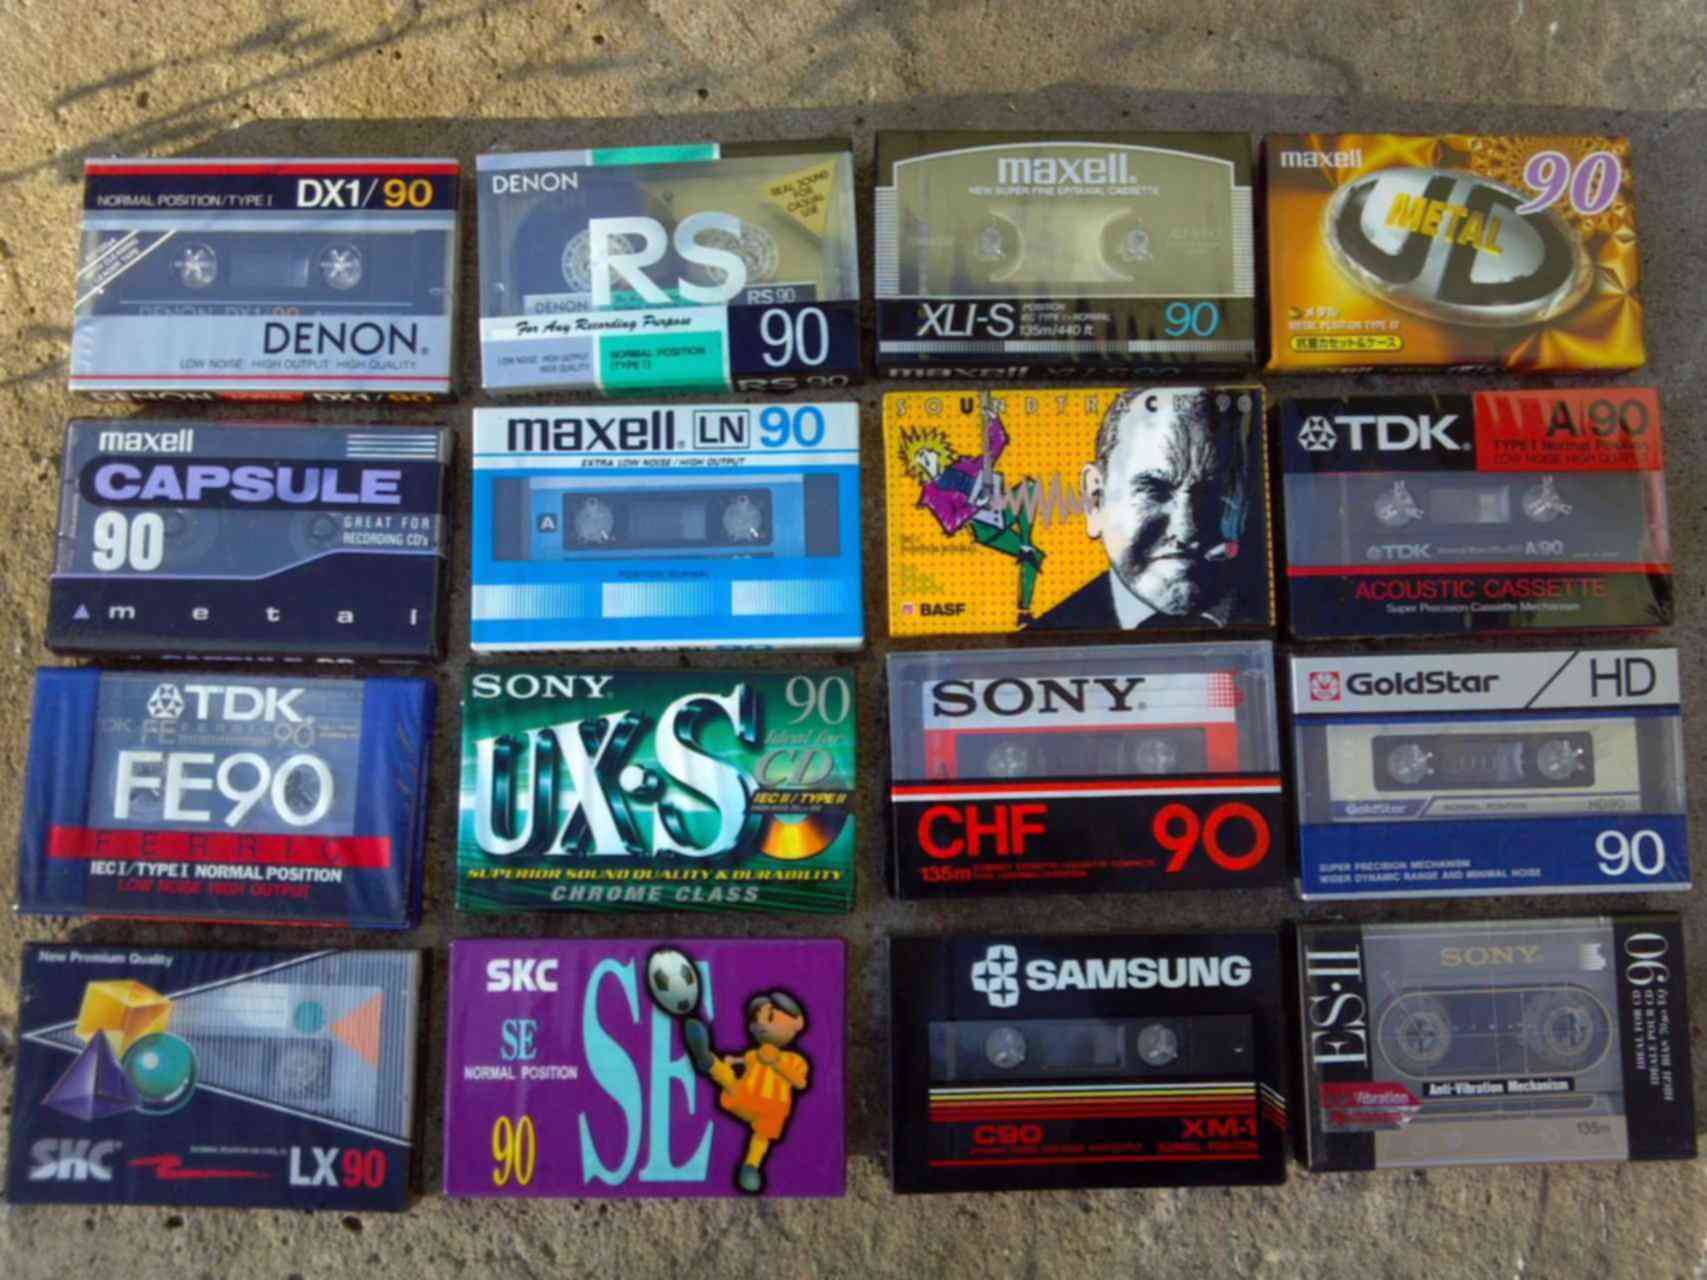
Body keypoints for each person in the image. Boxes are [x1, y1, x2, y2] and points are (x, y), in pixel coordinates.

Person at [1033, 387, 1249, 630]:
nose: (1186, 529)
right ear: (1096, 499)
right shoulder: (1046, 632)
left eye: (1210, 491)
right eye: (1154, 490)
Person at [900, 395, 1046, 624]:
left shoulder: (965, 466)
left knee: (1030, 487)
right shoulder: (932, 494)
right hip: (985, 529)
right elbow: (950, 524)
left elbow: (996, 446)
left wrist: (994, 420)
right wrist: (973, 506)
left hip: (1000, 510)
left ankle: (1026, 545)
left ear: (937, 452)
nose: (924, 457)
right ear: (915, 467)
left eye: (925, 452)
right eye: (918, 457)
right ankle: (1024, 612)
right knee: (1035, 557)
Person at [681, 990, 810, 1194]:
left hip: (772, 1109)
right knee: (730, 1080)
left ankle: (751, 1167)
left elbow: (800, 1082)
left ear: (798, 1022)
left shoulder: (796, 1060)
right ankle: (708, 1060)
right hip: (747, 1096)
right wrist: (733, 1060)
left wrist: (776, 1063)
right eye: (756, 1024)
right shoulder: (755, 1053)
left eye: (769, 1017)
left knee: (761, 1136)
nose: (761, 1026)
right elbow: (745, 1059)